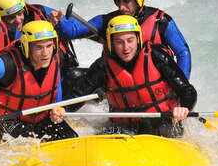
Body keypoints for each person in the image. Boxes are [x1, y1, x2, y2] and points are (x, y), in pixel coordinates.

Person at [61, 15, 197, 137]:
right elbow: (78, 95)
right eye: (119, 42)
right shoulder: (103, 66)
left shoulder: (157, 57)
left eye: (130, 40)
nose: (126, 47)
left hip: (164, 123)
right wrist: (62, 109)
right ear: (111, 43)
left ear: (138, 39)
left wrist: (184, 108)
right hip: (124, 128)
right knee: (108, 132)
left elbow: (188, 91)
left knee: (147, 124)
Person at [54, 0, 192, 79]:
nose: (121, 7)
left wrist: (181, 87)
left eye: (126, 1)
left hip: (154, 86)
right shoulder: (108, 21)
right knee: (73, 76)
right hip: (119, 84)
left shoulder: (160, 21)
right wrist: (59, 22)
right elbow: (72, 31)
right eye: (118, 1)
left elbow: (182, 52)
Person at [0, 20, 78, 141]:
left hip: (40, 117)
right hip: (6, 120)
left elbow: (55, 83)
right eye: (39, 47)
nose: (46, 53)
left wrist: (57, 106)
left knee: (71, 138)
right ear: (27, 46)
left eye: (49, 46)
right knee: (31, 142)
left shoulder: (56, 57)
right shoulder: (7, 63)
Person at [0, 0, 82, 97]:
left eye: (20, 13)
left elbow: (74, 25)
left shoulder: (39, 12)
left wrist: (59, 23)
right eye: (11, 17)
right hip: (24, 85)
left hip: (61, 76)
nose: (18, 20)